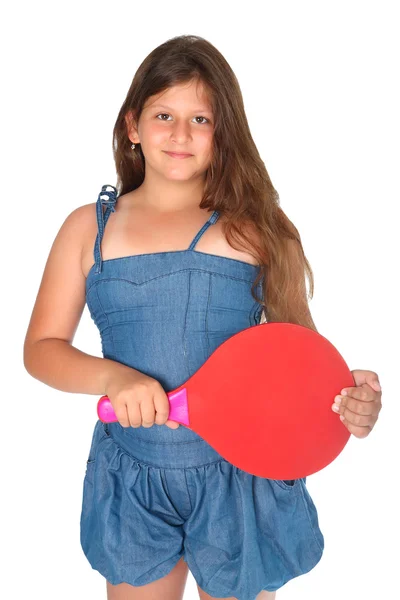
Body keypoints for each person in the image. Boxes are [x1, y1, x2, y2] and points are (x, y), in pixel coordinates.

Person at [23, 35, 382, 600]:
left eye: (201, 119)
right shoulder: (85, 230)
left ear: (224, 134)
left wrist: (349, 402)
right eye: (164, 114)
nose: (181, 134)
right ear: (132, 125)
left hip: (241, 475)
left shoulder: (256, 230)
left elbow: (299, 360)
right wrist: (114, 378)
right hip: (132, 473)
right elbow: (41, 347)